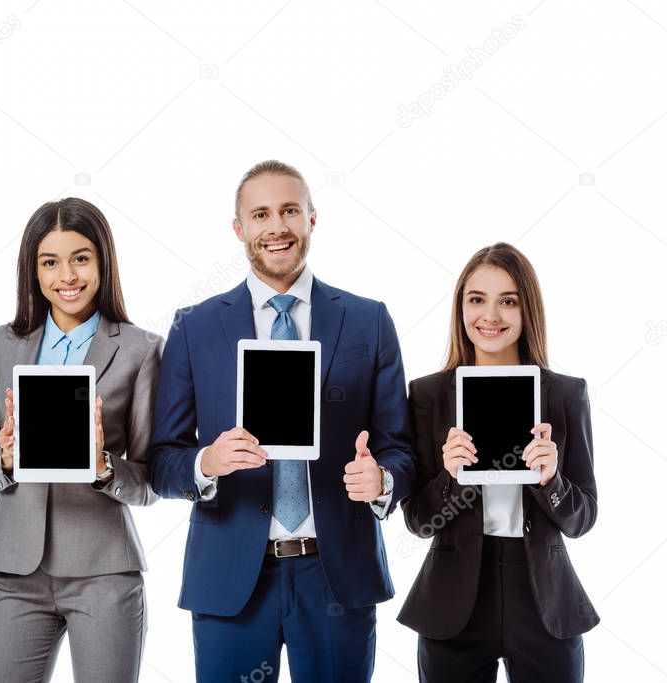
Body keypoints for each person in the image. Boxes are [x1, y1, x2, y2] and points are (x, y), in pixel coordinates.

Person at [148, 160, 416, 682]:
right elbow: (162, 461)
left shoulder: (368, 320)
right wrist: (209, 461)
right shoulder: (195, 326)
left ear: (312, 219)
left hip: (336, 572)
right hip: (231, 575)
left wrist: (382, 480)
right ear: (239, 228)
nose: (277, 227)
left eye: (290, 210)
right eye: (261, 214)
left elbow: (401, 448)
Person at [0, 197, 161, 683]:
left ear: (102, 262)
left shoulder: (140, 349)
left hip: (103, 570)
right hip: (16, 570)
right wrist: (5, 461)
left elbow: (152, 479)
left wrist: (104, 467)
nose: (66, 276)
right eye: (49, 262)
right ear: (32, 270)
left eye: (80, 258)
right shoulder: (2, 344)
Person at [399, 242, 598, 682]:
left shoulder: (565, 394)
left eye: (508, 301)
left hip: (543, 597)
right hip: (454, 599)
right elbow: (417, 520)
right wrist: (450, 478)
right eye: (477, 300)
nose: (490, 315)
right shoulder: (429, 395)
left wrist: (552, 482)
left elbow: (583, 518)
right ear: (460, 309)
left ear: (528, 310)